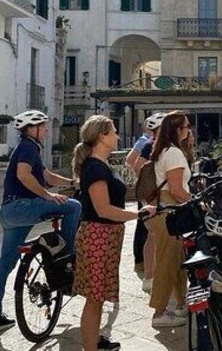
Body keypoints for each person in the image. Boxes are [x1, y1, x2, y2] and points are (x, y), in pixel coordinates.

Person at [0, 110, 81, 336]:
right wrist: (48, 196)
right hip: (23, 206)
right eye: (43, 126)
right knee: (74, 207)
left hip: (9, 213)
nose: (47, 130)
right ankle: (68, 255)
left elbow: (46, 175)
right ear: (32, 129)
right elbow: (23, 175)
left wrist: (72, 181)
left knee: (5, 265)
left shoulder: (29, 148)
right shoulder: (28, 147)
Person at [73, 115, 139, 351]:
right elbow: (103, 209)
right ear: (102, 136)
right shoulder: (95, 167)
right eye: (113, 132)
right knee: (94, 299)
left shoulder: (100, 164)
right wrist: (139, 215)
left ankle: (93, 344)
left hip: (105, 236)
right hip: (98, 236)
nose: (117, 136)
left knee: (98, 297)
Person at [146, 111, 193, 328]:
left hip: (162, 210)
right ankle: (159, 312)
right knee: (166, 263)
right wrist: (196, 202)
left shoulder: (163, 150)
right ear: (177, 130)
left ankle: (182, 303)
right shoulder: (173, 153)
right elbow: (176, 189)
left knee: (177, 261)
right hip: (169, 212)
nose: (189, 129)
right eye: (186, 126)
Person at [126, 112, 165, 277]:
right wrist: (147, 181)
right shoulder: (148, 143)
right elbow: (134, 163)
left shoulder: (149, 142)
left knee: (145, 227)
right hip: (151, 193)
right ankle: (143, 263)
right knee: (145, 227)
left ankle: (143, 264)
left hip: (148, 191)